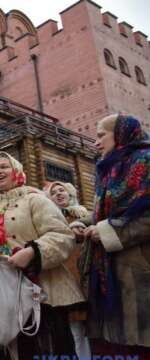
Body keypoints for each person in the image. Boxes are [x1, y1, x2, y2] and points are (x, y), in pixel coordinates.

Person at [0, 151, 85, 359]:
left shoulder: (34, 199)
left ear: (16, 170)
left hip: (42, 292)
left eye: (4, 167)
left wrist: (33, 251)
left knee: (44, 348)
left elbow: (62, 235)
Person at [73, 114, 150, 357]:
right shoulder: (109, 169)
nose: (95, 142)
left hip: (139, 270)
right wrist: (82, 223)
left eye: (101, 135)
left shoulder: (145, 161)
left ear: (121, 134)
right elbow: (106, 212)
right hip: (107, 272)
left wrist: (107, 230)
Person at [45, 181, 91, 359]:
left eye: (61, 190)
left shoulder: (84, 214)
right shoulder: (51, 220)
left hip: (88, 275)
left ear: (69, 193)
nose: (58, 193)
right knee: (76, 329)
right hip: (68, 278)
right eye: (53, 192)